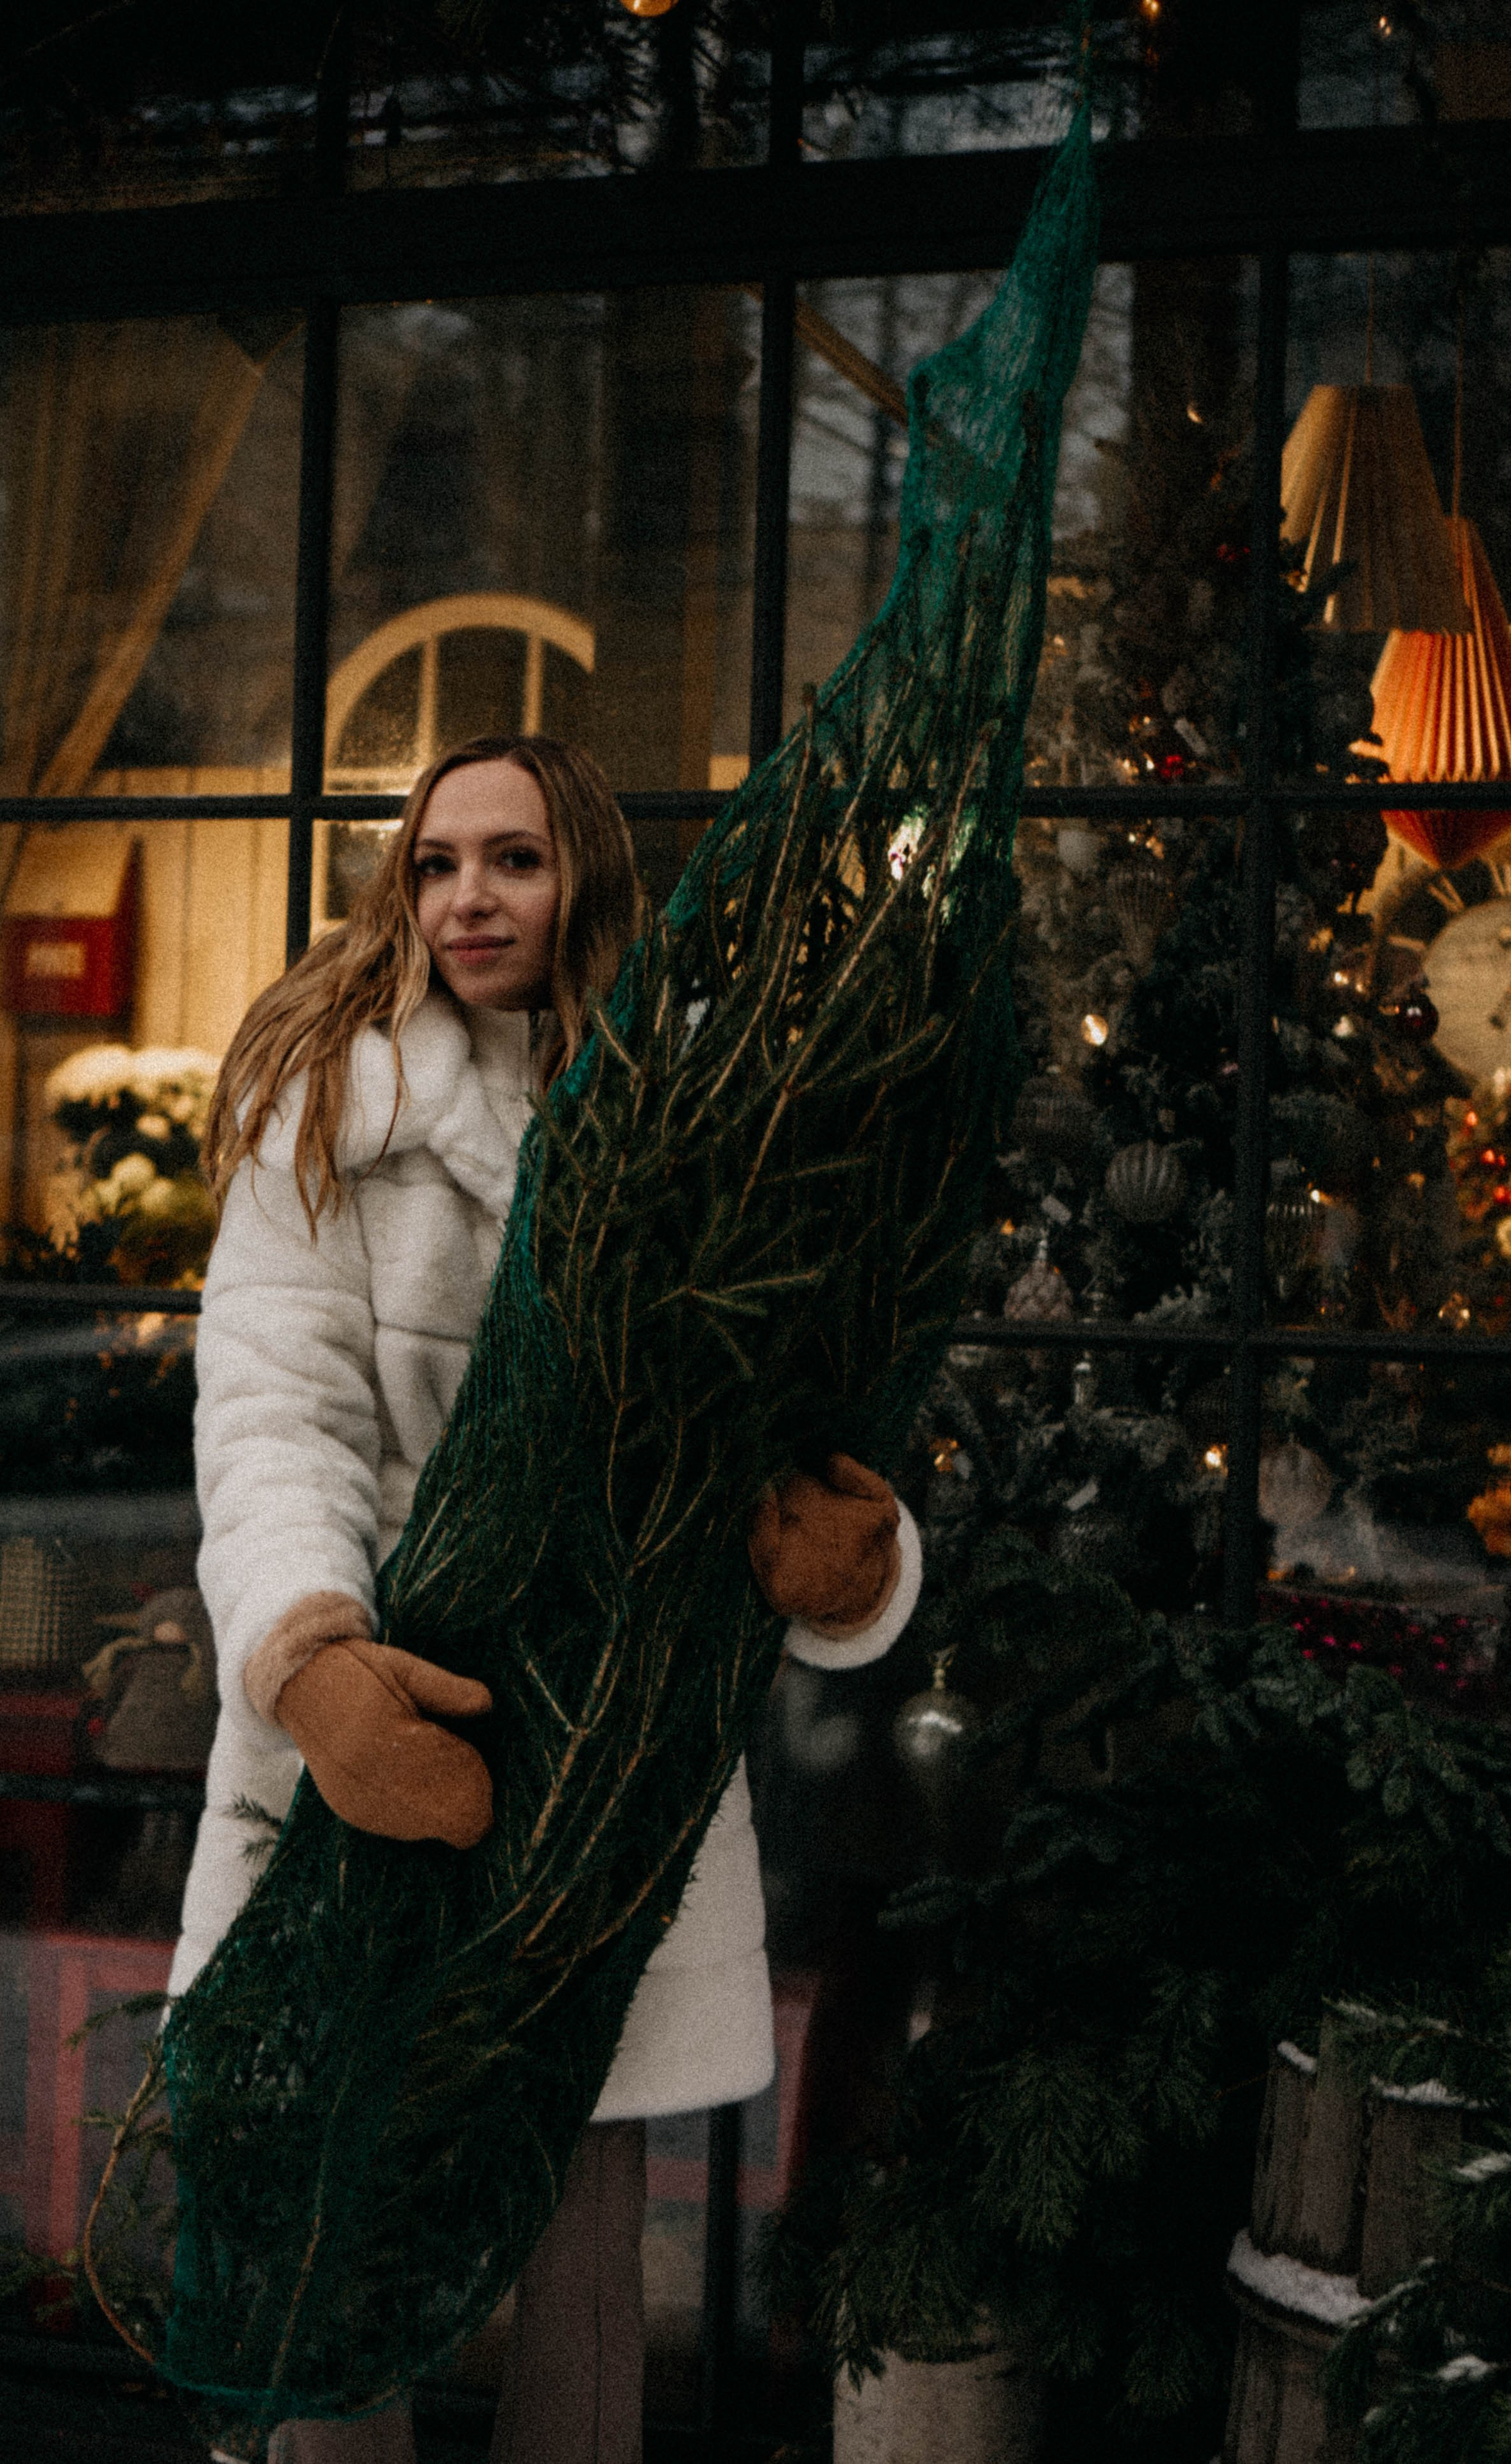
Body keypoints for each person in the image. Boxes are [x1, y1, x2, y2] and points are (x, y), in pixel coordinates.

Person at [171, 734, 925, 2464]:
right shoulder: (333, 1108)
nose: (466, 899)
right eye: (436, 863)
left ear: (581, 871)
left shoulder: (693, 1125)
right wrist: (311, 1660)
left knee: (582, 2255)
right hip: (394, 1741)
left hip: (613, 1773)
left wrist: (847, 1557)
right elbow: (274, 1415)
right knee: (335, 2239)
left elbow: (784, 1427)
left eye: (509, 860)